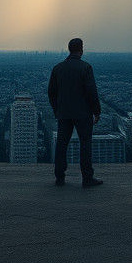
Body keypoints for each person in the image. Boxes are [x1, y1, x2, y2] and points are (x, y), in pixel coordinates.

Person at [47, 38, 103, 187]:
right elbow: (91, 92)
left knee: (61, 145)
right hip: (83, 113)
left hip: (64, 113)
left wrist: (56, 110)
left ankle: (59, 177)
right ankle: (87, 177)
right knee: (85, 144)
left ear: (69, 49)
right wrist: (96, 111)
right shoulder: (85, 67)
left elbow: (51, 92)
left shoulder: (58, 68)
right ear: (81, 49)